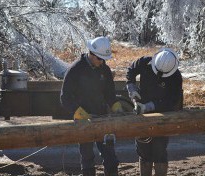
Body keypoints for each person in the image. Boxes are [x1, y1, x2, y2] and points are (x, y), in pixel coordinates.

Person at [60, 36, 123, 176]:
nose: (102, 62)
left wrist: (115, 105)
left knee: (110, 157)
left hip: (103, 118)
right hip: (83, 120)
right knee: (87, 158)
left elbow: (110, 94)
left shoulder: (104, 70)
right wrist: (78, 112)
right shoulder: (75, 70)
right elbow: (65, 97)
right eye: (100, 59)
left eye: (104, 59)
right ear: (91, 53)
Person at [126, 48, 183, 176]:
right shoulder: (145, 62)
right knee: (143, 150)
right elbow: (131, 71)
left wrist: (150, 106)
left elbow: (172, 102)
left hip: (163, 115)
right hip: (142, 115)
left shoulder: (176, 78)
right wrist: (131, 87)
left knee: (159, 150)